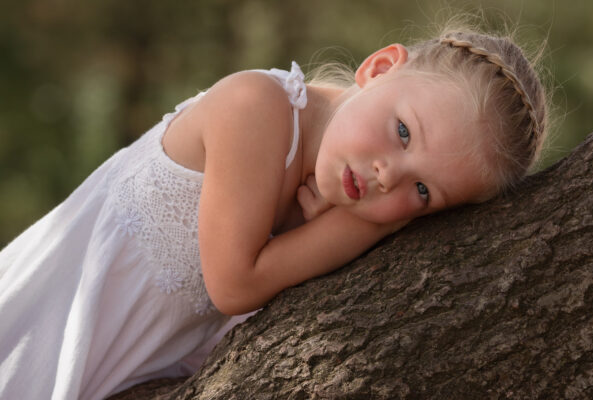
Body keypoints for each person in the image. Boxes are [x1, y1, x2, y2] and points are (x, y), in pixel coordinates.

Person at [0, 26, 548, 399]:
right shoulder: (256, 108)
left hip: (114, 363)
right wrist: (353, 226)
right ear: (379, 67)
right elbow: (233, 286)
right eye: (403, 132)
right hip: (41, 328)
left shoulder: (316, 203)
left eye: (424, 191)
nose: (388, 176)